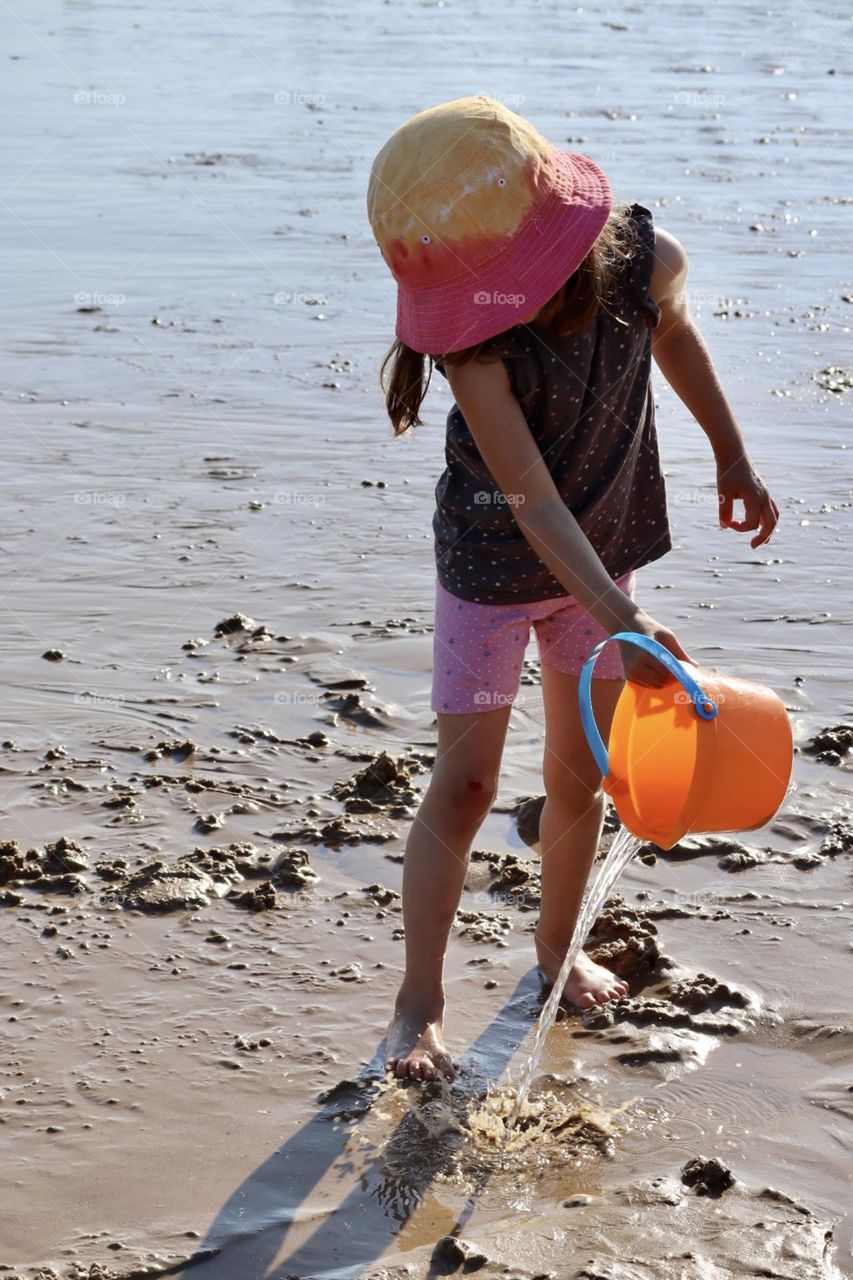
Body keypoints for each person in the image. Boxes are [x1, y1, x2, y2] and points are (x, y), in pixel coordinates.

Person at [366, 94, 778, 1082]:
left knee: (578, 775)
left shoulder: (645, 266)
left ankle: (557, 947)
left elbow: (673, 333)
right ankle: (416, 1003)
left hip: (603, 556)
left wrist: (729, 453)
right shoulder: (472, 346)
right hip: (492, 569)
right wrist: (623, 616)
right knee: (463, 786)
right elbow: (532, 502)